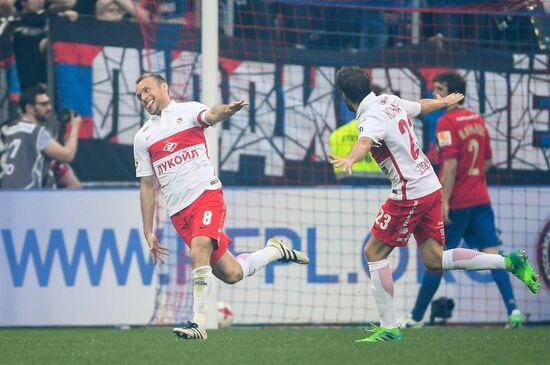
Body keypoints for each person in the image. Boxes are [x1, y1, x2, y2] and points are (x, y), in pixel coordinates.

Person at [328, 66, 539, 343]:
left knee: (374, 251)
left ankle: (389, 327)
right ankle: (508, 262)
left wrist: (350, 159)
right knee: (434, 258)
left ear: (345, 96)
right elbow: (420, 106)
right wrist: (443, 102)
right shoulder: (388, 101)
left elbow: (365, 141)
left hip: (409, 192)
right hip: (430, 185)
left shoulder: (369, 117)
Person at [133, 73, 309, 340]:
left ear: (164, 86)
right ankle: (274, 251)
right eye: (139, 95)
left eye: (147, 90)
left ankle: (199, 324)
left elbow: (211, 115)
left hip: (206, 194)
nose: (144, 97)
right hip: (179, 213)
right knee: (231, 273)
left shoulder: (188, 110)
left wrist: (226, 111)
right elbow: (147, 185)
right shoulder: (143, 137)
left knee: (199, 251)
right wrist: (148, 230)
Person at [402, 71, 524, 329]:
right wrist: (474, 179)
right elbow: (489, 160)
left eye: (439, 89)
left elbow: (451, 165)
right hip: (481, 199)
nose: (435, 94)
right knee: (493, 255)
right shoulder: (478, 119)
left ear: (452, 93)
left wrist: (444, 201)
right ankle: (514, 311)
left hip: (457, 203)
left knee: (436, 260)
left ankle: (415, 317)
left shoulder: (446, 123)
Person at [1, 84, 81, 188]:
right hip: (28, 193)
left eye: (49, 103)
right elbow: (67, 156)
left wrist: (55, 141)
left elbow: (29, 151)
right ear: (29, 108)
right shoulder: (37, 132)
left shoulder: (11, 129)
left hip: (6, 194)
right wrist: (75, 127)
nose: (50, 108)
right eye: (44, 104)